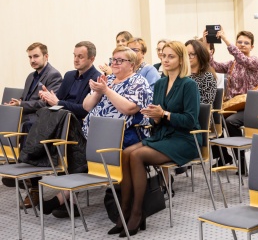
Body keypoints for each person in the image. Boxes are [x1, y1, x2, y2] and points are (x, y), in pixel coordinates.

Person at [40, 45, 152, 218]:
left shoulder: (138, 82)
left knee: (80, 151)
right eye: (113, 60)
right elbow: (87, 106)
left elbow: (129, 108)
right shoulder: (107, 79)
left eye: (120, 60)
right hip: (93, 135)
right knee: (71, 147)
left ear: (132, 64)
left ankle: (63, 198)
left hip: (123, 136)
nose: (114, 63)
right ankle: (65, 198)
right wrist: (99, 92)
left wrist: (106, 91)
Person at [107, 41, 201, 237]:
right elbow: (158, 121)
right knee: (126, 153)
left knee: (137, 156)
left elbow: (191, 120)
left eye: (171, 56)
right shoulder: (160, 83)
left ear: (181, 59)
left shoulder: (189, 84)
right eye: (163, 56)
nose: (165, 60)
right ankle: (124, 211)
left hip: (185, 139)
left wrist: (164, 114)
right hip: (163, 134)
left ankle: (137, 212)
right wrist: (156, 117)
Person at [19, 41, 101, 213]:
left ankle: (30, 161)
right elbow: (59, 100)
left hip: (78, 123)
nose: (76, 60)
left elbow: (83, 110)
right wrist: (51, 100)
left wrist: (58, 102)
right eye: (74, 55)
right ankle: (32, 162)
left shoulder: (96, 79)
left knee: (39, 124)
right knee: (42, 115)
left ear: (91, 58)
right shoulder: (70, 75)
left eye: (80, 56)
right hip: (62, 118)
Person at [204, 28, 258, 171]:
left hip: (250, 106)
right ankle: (224, 158)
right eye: (239, 42)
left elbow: (241, 58)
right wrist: (206, 45)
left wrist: (225, 39)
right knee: (213, 120)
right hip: (233, 105)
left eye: (246, 43)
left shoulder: (253, 61)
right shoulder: (232, 64)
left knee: (230, 121)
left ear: (252, 46)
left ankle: (241, 163)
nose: (242, 45)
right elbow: (213, 65)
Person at [185, 39, 217, 105]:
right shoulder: (181, 75)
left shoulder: (208, 77)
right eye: (185, 54)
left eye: (192, 54)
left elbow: (206, 104)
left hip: (198, 113)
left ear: (200, 55)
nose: (188, 57)